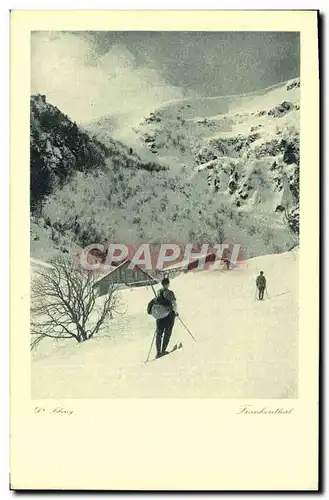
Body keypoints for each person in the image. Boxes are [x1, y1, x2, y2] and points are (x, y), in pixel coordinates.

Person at [152, 277, 178, 358]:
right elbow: (174, 304)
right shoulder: (169, 293)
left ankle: (158, 352)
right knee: (167, 333)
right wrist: (176, 312)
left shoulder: (158, 292)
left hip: (159, 316)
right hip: (169, 316)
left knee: (159, 334)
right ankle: (163, 351)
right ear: (168, 284)